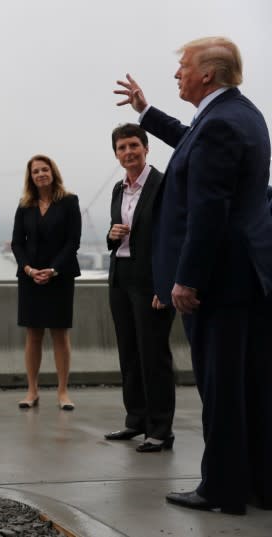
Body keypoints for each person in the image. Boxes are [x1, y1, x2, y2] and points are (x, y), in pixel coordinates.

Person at [115, 36, 272, 515]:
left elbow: (208, 210)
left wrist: (187, 279)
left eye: (183, 67)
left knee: (222, 388)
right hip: (245, 276)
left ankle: (222, 489)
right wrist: (147, 112)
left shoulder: (221, 123)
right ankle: (260, 484)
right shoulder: (239, 115)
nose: (177, 74)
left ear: (208, 73)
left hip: (220, 282)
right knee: (251, 387)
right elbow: (193, 145)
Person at [104, 123, 176, 452]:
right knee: (129, 352)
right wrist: (111, 235)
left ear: (146, 148)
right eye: (122, 148)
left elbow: (174, 237)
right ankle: (136, 419)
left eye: (134, 145)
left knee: (153, 355)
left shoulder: (163, 185)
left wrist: (166, 284)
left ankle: (160, 429)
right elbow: (116, 235)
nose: (128, 152)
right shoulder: (119, 190)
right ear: (116, 154)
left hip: (151, 279)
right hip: (121, 276)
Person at [11, 155, 81, 410]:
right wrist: (29, 269)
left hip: (59, 276)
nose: (40, 174)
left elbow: (73, 241)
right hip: (30, 277)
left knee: (60, 334)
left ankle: (63, 392)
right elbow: (17, 242)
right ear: (30, 177)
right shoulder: (25, 205)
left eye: (44, 169)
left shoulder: (69, 202)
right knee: (33, 335)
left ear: (53, 172)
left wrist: (53, 269)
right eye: (35, 171)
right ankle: (32, 391)